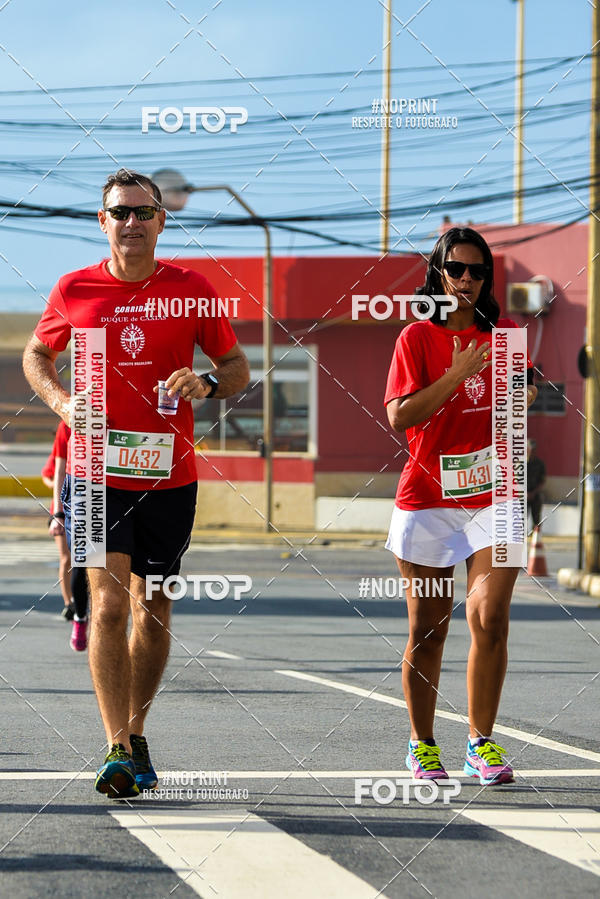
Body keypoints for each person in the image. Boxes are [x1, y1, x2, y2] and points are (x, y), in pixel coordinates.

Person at [23, 168, 250, 798]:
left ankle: (137, 728)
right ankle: (116, 747)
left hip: (169, 477)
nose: (131, 222)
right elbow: (35, 354)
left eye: (142, 212)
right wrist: (64, 403)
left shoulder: (192, 289)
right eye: (119, 212)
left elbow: (236, 369)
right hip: (96, 476)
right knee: (109, 604)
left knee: (154, 609)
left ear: (161, 221)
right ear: (103, 222)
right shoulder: (76, 287)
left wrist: (205, 384)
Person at [384, 227, 537, 786]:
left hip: (495, 498)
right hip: (427, 500)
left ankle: (481, 742)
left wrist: (521, 394)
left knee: (489, 614)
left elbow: (515, 415)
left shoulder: (507, 336)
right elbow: (401, 418)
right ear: (438, 273)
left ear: (486, 279)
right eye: (456, 269)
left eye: (477, 271)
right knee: (429, 628)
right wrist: (456, 375)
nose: (466, 279)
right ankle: (422, 745)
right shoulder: (416, 339)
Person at [43, 421, 89, 648]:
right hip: (69, 507)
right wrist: (58, 512)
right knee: (70, 559)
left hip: (107, 501)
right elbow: (52, 473)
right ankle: (73, 605)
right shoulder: (66, 425)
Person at [527, 439, 546, 531]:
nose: (532, 451)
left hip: (535, 495)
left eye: (534, 449)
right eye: (530, 449)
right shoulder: (519, 463)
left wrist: (533, 493)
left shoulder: (540, 464)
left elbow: (542, 481)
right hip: (522, 497)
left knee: (536, 520)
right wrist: (524, 493)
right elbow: (515, 481)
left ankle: (536, 540)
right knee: (520, 520)